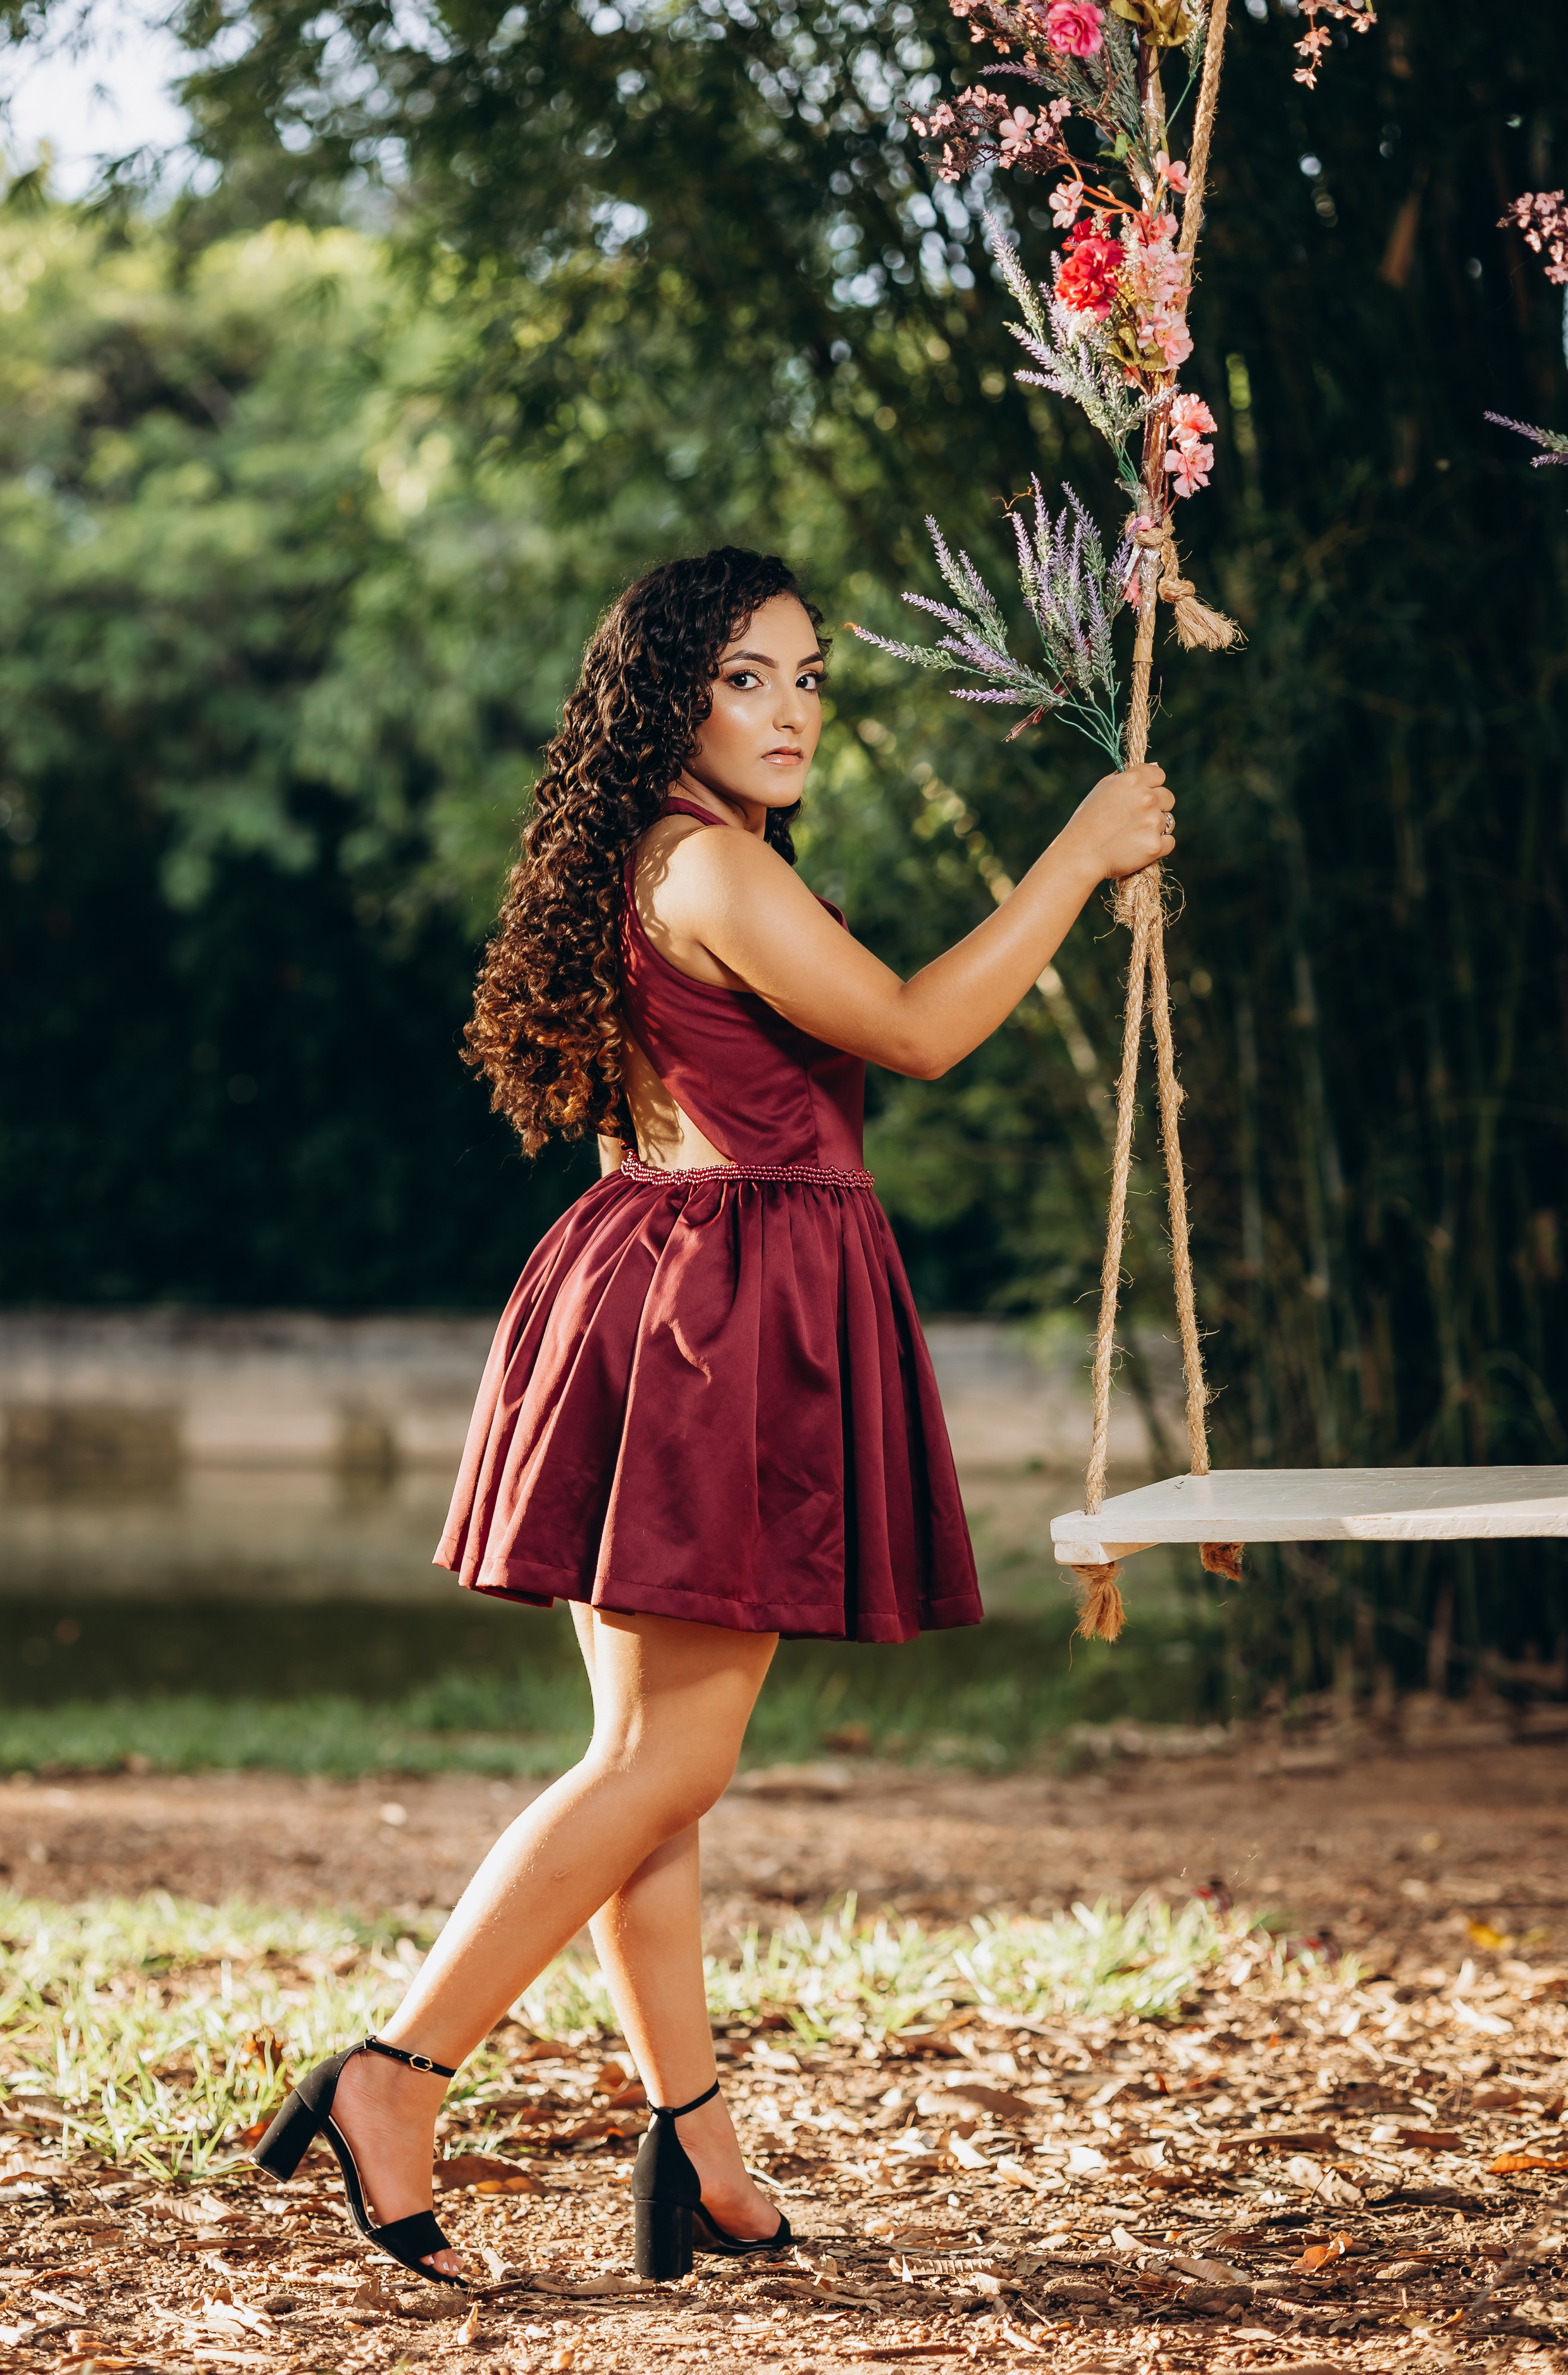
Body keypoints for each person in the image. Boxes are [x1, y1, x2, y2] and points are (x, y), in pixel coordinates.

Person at [252, 546, 1174, 2285]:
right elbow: (915, 1031)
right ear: (667, 695)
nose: (792, 711)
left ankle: (700, 2155)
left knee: (645, 1781)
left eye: (812, 679)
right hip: (720, 1317)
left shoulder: (651, 864)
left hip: (649, 1286)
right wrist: (1082, 848)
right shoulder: (718, 873)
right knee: (668, 1761)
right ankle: (395, 2072)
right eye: (748, 676)